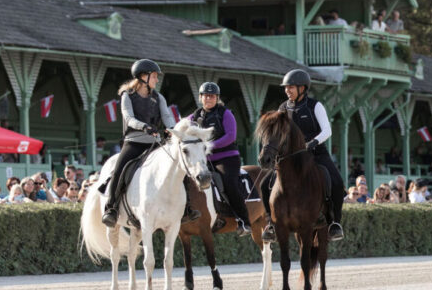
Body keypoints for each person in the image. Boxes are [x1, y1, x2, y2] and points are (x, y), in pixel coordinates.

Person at [102, 59, 199, 227]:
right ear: (143, 77)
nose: (156, 80)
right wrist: (144, 126)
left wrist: (172, 130)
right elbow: (129, 118)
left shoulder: (158, 97)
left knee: (179, 167)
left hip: (155, 144)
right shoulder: (127, 96)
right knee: (119, 169)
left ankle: (187, 208)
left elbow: (168, 118)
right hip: (134, 142)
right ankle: (111, 208)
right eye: (154, 76)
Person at [261, 69, 346, 242]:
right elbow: (277, 133)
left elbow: (327, 130)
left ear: (302, 88)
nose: (287, 90)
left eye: (291, 87)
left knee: (337, 182)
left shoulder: (315, 106)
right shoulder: (283, 108)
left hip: (316, 154)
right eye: (286, 88)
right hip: (290, 159)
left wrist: (313, 142)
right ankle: (271, 224)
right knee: (264, 185)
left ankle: (335, 224)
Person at [188, 81, 251, 236]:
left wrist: (210, 145)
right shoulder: (193, 117)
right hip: (205, 160)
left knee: (229, 184)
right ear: (200, 97)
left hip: (227, 158)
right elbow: (184, 130)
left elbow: (231, 136)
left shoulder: (225, 113)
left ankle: (244, 221)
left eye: (211, 96)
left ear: (217, 98)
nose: (208, 99)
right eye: (205, 96)